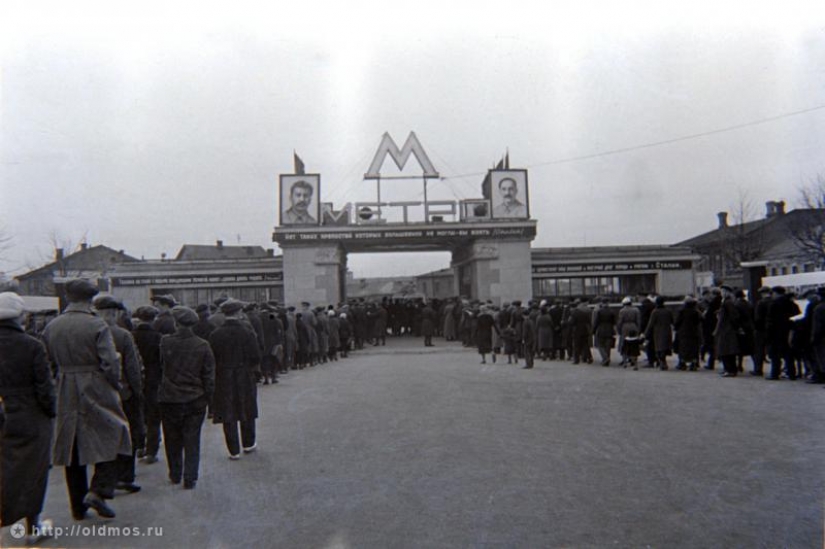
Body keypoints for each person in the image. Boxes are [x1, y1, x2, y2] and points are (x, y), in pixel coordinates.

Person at [42, 279, 132, 520]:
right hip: (95, 384)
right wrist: (115, 385)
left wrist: (59, 379)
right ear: (90, 299)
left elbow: (47, 361)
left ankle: (77, 508)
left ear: (70, 297)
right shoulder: (96, 324)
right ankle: (99, 489)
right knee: (116, 433)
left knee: (72, 444)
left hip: (65, 385)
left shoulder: (53, 326)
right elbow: (110, 363)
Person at [0, 292, 56, 543]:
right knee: (33, 470)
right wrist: (50, 412)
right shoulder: (32, 345)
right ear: (20, 316)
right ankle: (33, 525)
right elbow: (44, 386)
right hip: (29, 413)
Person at [158, 306, 215, 489]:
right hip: (195, 398)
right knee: (192, 439)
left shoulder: (165, 342)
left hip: (169, 398)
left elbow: (161, 368)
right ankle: (190, 477)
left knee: (172, 437)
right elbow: (209, 375)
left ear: (176, 323)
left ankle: (175, 473)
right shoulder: (202, 345)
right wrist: (208, 398)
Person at [93, 295, 144, 494]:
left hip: (96, 393)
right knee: (127, 435)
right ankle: (125, 477)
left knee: (103, 437)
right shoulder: (123, 335)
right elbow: (132, 367)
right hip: (123, 394)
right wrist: (138, 391)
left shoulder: (91, 332)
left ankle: (105, 479)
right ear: (114, 314)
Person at [209, 299, 261, 459]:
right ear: (239, 313)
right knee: (247, 407)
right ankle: (248, 443)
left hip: (223, 376)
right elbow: (256, 356)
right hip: (244, 374)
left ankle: (233, 450)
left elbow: (212, 358)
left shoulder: (215, 334)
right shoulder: (247, 331)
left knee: (227, 411)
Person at [132, 305, 163, 465]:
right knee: (153, 416)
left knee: (138, 413)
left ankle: (138, 446)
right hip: (154, 380)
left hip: (135, 380)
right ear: (154, 318)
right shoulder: (158, 337)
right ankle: (151, 450)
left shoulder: (131, 335)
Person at [715, 286, 741, 378]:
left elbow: (734, 316)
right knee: (726, 350)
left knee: (726, 350)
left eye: (722, 291)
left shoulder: (728, 302)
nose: (721, 293)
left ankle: (730, 370)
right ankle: (729, 369)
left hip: (727, 330)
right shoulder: (727, 302)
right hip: (726, 329)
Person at [645, 296, 674, 370]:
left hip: (658, 331)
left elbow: (650, 324)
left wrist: (646, 333)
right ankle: (663, 361)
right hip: (667, 331)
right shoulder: (668, 311)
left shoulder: (655, 312)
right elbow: (672, 321)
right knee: (665, 346)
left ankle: (662, 361)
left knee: (659, 347)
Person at [674, 296, 703, 370]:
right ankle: (693, 363)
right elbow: (700, 320)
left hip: (683, 332)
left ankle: (682, 363)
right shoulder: (696, 311)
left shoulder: (682, 311)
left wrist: (676, 328)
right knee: (693, 349)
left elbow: (677, 321)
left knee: (683, 348)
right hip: (693, 332)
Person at [615, 297, 640, 366]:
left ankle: (624, 359)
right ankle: (633, 359)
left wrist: (618, 330)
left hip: (625, 327)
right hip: (633, 326)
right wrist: (638, 329)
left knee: (624, 343)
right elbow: (638, 320)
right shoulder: (636, 310)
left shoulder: (622, 311)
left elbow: (620, 321)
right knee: (634, 343)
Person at [592, 298, 616, 366]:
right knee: (607, 346)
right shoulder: (612, 311)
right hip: (609, 329)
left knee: (600, 345)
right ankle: (607, 359)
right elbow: (614, 322)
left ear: (602, 303)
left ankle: (605, 358)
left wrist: (593, 330)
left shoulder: (599, 311)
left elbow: (596, 322)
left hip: (601, 329)